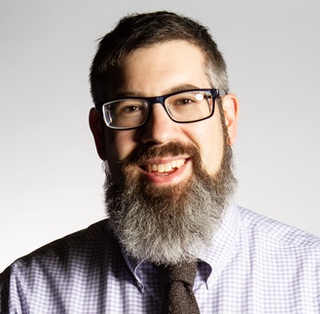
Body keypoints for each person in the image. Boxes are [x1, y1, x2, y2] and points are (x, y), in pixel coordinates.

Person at [1, 11, 319, 313]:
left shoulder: (313, 279)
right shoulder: (26, 292)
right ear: (100, 134)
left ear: (228, 120)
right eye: (130, 108)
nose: (158, 132)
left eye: (185, 101)